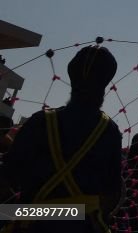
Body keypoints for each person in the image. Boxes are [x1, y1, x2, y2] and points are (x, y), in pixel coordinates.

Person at [1, 45, 123, 233]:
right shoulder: (109, 131)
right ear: (106, 82)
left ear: (71, 75)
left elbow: (9, 176)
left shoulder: (41, 121)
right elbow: (111, 190)